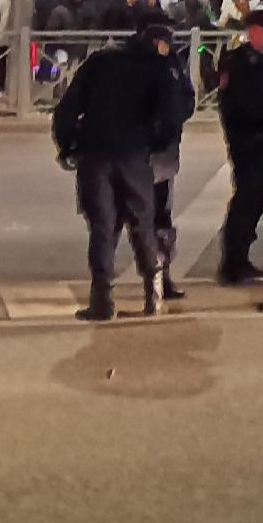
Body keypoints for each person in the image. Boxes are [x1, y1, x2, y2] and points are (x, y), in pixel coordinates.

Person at [53, 19, 182, 319]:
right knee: (142, 225)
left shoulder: (101, 61)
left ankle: (102, 301)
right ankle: (153, 297)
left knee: (102, 228)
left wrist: (68, 145)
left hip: (95, 153)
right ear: (156, 44)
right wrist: (152, 144)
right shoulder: (159, 69)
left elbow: (68, 107)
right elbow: (171, 114)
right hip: (135, 157)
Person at [215, 9, 263, 283]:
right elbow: (233, 106)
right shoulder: (237, 63)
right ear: (254, 31)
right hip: (247, 141)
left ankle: (241, 257)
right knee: (246, 200)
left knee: (257, 200)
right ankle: (232, 262)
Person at [129, 19, 196, 304]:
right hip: (141, 153)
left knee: (160, 217)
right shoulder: (138, 67)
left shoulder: (172, 66)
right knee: (141, 217)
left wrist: (169, 126)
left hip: (163, 154)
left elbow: (187, 100)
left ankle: (160, 276)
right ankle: (153, 277)